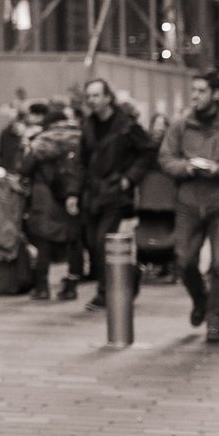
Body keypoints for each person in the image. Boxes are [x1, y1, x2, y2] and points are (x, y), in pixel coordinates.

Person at [158, 70, 219, 344]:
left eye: (201, 91)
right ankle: (200, 299)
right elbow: (166, 158)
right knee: (184, 260)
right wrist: (186, 167)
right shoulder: (181, 124)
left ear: (216, 94)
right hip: (188, 202)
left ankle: (215, 322)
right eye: (194, 91)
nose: (195, 96)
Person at [66, 79, 158, 309]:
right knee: (91, 242)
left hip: (116, 192)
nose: (92, 101)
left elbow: (147, 152)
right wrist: (73, 193)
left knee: (102, 242)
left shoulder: (127, 125)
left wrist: (129, 178)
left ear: (108, 97)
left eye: (96, 95)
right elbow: (80, 162)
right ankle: (132, 274)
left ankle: (104, 293)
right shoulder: (88, 125)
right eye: (89, 96)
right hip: (93, 193)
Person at [18, 105, 81, 301]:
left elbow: (25, 168)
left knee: (43, 240)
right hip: (72, 194)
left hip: (44, 196)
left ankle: (42, 287)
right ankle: (71, 286)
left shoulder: (41, 141)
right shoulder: (79, 138)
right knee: (73, 241)